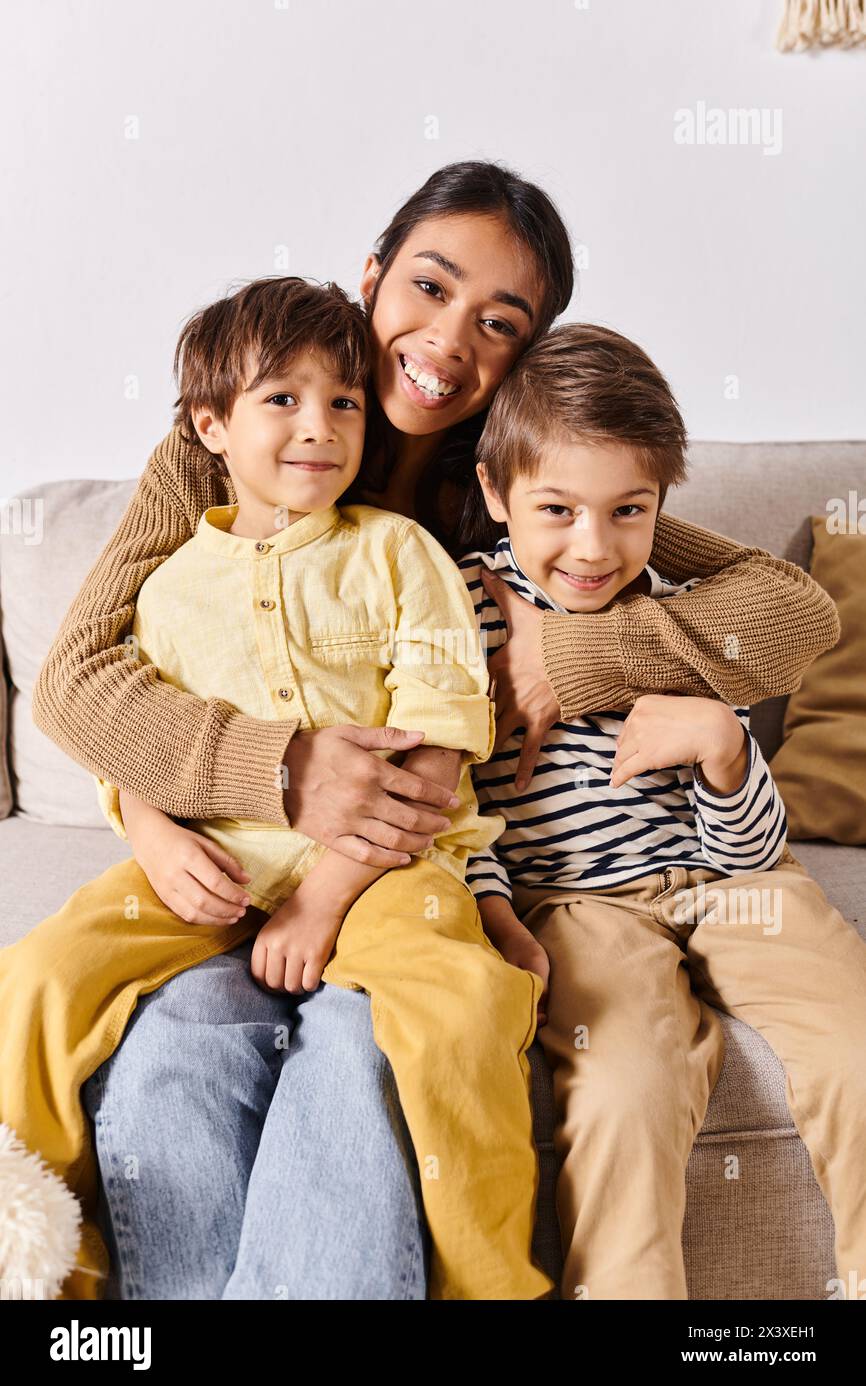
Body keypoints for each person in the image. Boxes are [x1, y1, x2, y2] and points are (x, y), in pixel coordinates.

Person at [29, 161, 839, 1300]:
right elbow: (79, 678)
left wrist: (570, 651)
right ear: (371, 276)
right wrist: (266, 773)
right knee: (168, 1050)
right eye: (428, 285)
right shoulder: (229, 451)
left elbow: (788, 613)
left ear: (527, 356)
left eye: (497, 322)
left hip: (418, 874)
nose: (449, 338)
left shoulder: (521, 478)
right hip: (241, 859)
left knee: (371, 1048)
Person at [0, 274, 553, 1302]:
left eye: (344, 402)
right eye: (281, 400)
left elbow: (438, 743)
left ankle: (492, 1284)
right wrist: (157, 833)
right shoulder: (165, 588)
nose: (320, 427)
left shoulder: (396, 553)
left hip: (385, 867)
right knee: (35, 975)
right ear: (209, 424)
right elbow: (122, 733)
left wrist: (320, 896)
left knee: (459, 999)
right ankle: (40, 1279)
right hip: (208, 866)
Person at [457, 322, 866, 1300]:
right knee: (623, 1087)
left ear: (658, 508)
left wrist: (726, 752)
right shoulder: (463, 607)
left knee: (853, 1041)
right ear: (493, 494)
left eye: (627, 510)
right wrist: (493, 907)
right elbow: (450, 804)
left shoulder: (689, 604)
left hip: (736, 882)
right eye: (555, 508)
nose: (591, 547)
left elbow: (750, 845)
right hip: (576, 902)